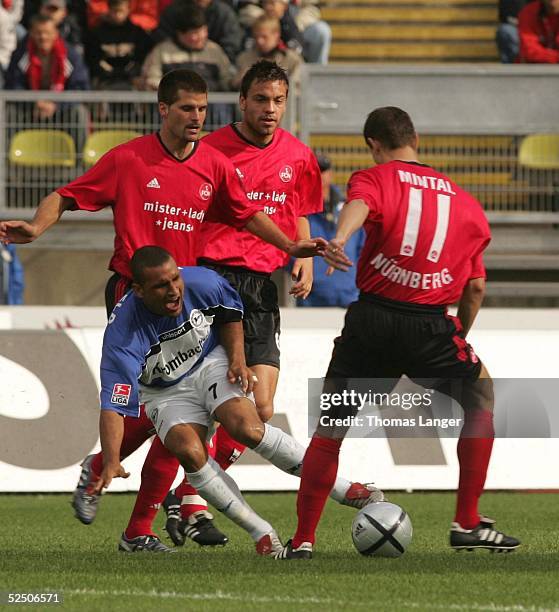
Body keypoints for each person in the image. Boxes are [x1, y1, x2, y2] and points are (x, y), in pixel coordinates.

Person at [0, 68, 328, 552]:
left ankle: (142, 510)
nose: (196, 117)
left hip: (191, 296)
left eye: (201, 108)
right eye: (187, 109)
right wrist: (35, 227)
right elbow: (66, 195)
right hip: (136, 296)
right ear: (163, 110)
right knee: (176, 408)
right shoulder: (129, 159)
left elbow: (248, 213)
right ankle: (144, 512)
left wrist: (293, 247)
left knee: (198, 411)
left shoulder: (213, 164)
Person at [275, 106, 521, 559]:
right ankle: (466, 521)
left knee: (331, 429)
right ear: (417, 139)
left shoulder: (377, 178)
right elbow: (477, 285)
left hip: (371, 320)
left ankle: (304, 539)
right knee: (481, 396)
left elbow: (359, 207)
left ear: (373, 145)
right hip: (429, 323)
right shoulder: (466, 203)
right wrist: (457, 338)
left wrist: (342, 239)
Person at [161, 60, 382, 548]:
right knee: (208, 405)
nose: (269, 109)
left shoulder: (299, 155)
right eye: (260, 99)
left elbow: (300, 212)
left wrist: (299, 258)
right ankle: (184, 499)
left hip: (261, 287)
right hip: (212, 281)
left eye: (278, 101)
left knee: (260, 406)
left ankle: (185, 495)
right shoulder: (211, 149)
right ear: (242, 101)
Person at [97, 246, 380, 553]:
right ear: (138, 290)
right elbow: (113, 406)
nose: (173, 290)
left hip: (210, 362)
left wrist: (236, 359)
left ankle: (345, 489)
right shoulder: (122, 337)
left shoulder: (201, 282)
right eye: (160, 286)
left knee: (248, 428)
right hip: (164, 391)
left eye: (175, 279)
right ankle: (262, 534)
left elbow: (230, 313)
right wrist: (111, 460)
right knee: (189, 451)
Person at [296, 153, 363, 307]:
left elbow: (363, 248)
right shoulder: (298, 210)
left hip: (350, 297)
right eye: (313, 171)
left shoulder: (349, 207)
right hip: (311, 300)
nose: (319, 176)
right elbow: (289, 250)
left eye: (323, 170)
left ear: (330, 174)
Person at [85, 0, 153, 90]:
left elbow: (142, 59)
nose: (118, 15)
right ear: (109, 10)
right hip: (104, 80)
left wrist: (133, 74)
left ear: (128, 10)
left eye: (121, 11)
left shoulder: (138, 34)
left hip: (132, 79)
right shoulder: (96, 34)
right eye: (114, 11)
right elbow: (92, 60)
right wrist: (107, 74)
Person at [232, 15, 302, 90]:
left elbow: (299, 88)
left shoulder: (292, 60)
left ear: (276, 35)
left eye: (264, 37)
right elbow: (231, 87)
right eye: (256, 37)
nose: (259, 41)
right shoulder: (244, 59)